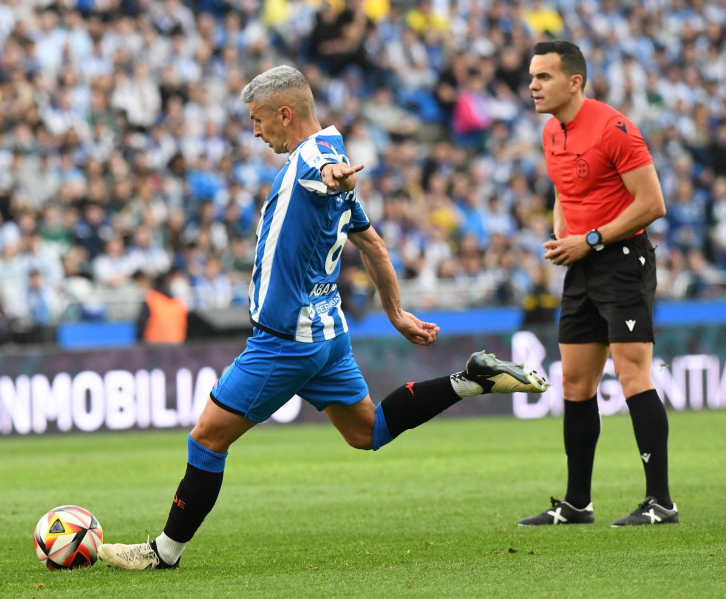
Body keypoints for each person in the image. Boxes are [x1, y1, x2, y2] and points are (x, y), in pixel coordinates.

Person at [98, 65, 549, 570]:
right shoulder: (331, 154)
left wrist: (332, 181)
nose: (254, 130)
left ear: (284, 113)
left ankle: (164, 553)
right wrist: (395, 313)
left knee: (206, 437)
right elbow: (372, 242)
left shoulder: (316, 162)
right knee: (367, 432)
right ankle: (470, 380)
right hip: (327, 334)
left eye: (258, 119)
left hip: (285, 340)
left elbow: (325, 179)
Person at [518, 41, 675, 527]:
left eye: (543, 77)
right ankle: (577, 503)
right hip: (583, 264)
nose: (532, 86)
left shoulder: (614, 129)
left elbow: (652, 204)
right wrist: (561, 235)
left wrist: (588, 240)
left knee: (633, 376)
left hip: (623, 261)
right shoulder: (550, 132)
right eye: (531, 77)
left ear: (574, 82)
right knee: (576, 382)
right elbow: (565, 194)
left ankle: (661, 502)